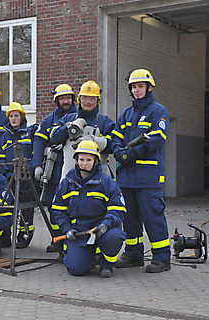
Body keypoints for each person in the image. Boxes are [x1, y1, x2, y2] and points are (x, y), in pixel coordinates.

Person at [111, 68, 171, 273]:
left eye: (140, 86)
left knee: (153, 217)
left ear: (149, 87)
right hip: (127, 178)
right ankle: (134, 253)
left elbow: (157, 138)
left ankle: (162, 258)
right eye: (134, 87)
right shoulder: (126, 113)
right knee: (129, 219)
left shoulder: (158, 111)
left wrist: (133, 153)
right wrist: (118, 151)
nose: (136, 90)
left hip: (148, 177)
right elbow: (115, 137)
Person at [51, 140, 126, 277]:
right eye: (81, 159)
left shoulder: (106, 182)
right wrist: (67, 230)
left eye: (88, 160)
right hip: (80, 231)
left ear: (96, 161)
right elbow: (58, 210)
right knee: (76, 269)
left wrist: (105, 225)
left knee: (114, 237)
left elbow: (117, 209)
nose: (84, 163)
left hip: (102, 229)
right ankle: (89, 257)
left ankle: (106, 264)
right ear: (76, 160)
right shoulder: (67, 182)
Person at [31, 84, 78, 250]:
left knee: (73, 206)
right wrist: (37, 165)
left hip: (74, 171)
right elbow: (38, 140)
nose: (65, 101)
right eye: (62, 98)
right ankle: (57, 239)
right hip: (54, 171)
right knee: (54, 207)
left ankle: (72, 240)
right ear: (56, 101)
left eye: (68, 98)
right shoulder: (49, 120)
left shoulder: (80, 115)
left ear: (73, 99)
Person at [49, 80, 116, 180]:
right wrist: (69, 128)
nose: (88, 102)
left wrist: (94, 141)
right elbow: (53, 137)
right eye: (84, 98)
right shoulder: (68, 118)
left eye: (92, 99)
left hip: (97, 178)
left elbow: (113, 145)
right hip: (70, 177)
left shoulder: (105, 122)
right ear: (79, 99)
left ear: (98, 101)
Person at [0, 102, 35, 248]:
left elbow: (33, 154)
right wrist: (6, 173)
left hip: (26, 178)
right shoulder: (4, 136)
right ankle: (6, 236)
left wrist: (30, 171)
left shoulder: (29, 133)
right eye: (11, 116)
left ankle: (25, 235)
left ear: (22, 117)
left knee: (26, 208)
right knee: (8, 207)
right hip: (9, 178)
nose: (14, 119)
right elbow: (0, 157)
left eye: (16, 116)